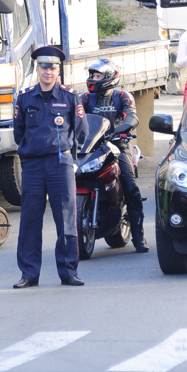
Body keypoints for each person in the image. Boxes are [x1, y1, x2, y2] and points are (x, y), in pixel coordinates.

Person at [12, 46, 87, 288]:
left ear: (58, 70)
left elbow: (82, 132)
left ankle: (68, 272)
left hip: (60, 163)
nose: (48, 71)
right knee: (30, 221)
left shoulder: (69, 97)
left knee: (66, 219)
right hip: (33, 166)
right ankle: (29, 274)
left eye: (53, 67)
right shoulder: (24, 98)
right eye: (44, 67)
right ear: (37, 68)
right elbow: (18, 133)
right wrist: (28, 156)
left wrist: (72, 159)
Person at [80, 59, 148, 253]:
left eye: (98, 76)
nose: (93, 78)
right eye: (92, 75)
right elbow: (74, 117)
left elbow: (132, 117)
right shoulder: (84, 98)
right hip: (92, 147)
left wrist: (122, 129)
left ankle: (139, 238)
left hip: (118, 146)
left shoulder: (123, 97)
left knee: (130, 187)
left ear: (110, 77)